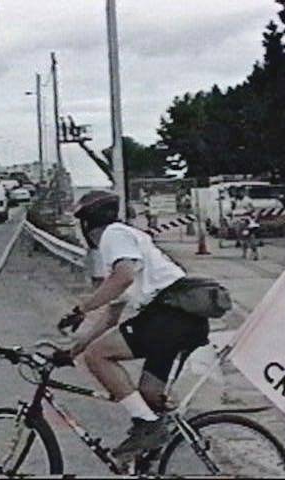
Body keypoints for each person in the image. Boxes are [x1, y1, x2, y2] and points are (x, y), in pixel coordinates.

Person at [55, 190, 209, 460]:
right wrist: (72, 352)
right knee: (148, 396)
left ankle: (149, 427)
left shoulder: (113, 235)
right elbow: (110, 318)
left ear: (86, 223)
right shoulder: (124, 241)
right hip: (182, 320)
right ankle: (152, 452)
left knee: (98, 356)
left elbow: (123, 277)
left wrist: (81, 309)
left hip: (169, 314)